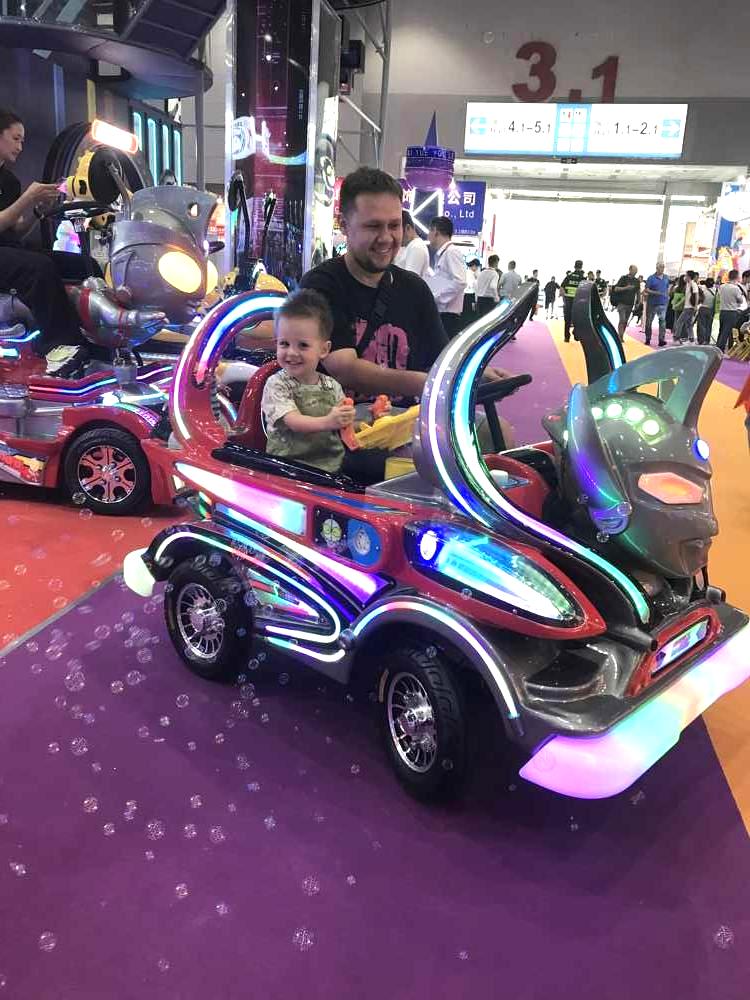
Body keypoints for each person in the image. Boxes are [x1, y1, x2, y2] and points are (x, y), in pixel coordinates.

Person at [300, 167, 512, 441]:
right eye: (373, 226)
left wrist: (478, 372)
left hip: (407, 421)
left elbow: (441, 358)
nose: (387, 237)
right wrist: (431, 384)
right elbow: (346, 369)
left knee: (500, 434)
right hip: (340, 424)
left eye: (394, 225)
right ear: (344, 226)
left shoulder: (414, 289)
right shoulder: (321, 285)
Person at [0, 108, 102, 377]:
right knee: (39, 267)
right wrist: (27, 198)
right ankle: (59, 345)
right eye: (15, 138)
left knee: (84, 265)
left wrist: (36, 208)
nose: (21, 146)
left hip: (8, 251)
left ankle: (96, 336)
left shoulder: (8, 181)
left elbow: (15, 231)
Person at [261, 290, 355, 473]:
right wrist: (329, 421)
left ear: (323, 349)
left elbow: (344, 425)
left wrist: (372, 420)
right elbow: (294, 421)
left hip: (331, 470)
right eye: (284, 344)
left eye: (303, 345)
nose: (292, 353)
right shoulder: (277, 385)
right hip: (287, 470)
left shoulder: (331, 386)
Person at [425, 215, 467, 339]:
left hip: (448, 315)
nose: (428, 236)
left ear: (435, 232)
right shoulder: (444, 254)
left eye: (429, 231)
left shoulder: (451, 252)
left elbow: (460, 282)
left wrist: (437, 298)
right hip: (443, 313)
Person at [717, 270, 747, 352]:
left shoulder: (722, 287)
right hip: (732, 312)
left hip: (722, 311)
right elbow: (740, 301)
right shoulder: (736, 288)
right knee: (727, 332)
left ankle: (717, 347)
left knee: (721, 330)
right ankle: (720, 349)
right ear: (737, 277)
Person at [394, 210, 429, 278]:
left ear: (408, 228)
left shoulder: (416, 247)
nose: (396, 237)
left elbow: (409, 280)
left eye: (398, 232)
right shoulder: (412, 246)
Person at [642, 262, 670, 346]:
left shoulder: (666, 277)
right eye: (660, 267)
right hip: (652, 303)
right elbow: (646, 289)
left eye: (663, 267)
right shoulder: (651, 278)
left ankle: (661, 339)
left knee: (662, 321)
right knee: (649, 322)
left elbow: (667, 288)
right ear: (656, 268)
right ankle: (648, 338)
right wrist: (656, 292)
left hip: (662, 303)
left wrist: (667, 297)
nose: (662, 269)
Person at [611, 264, 640, 339]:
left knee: (625, 321)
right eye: (634, 271)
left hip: (630, 304)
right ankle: (620, 336)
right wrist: (626, 288)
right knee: (622, 319)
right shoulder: (623, 278)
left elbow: (638, 292)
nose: (635, 272)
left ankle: (621, 335)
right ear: (630, 270)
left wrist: (638, 302)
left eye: (636, 271)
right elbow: (616, 289)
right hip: (621, 303)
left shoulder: (637, 281)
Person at [560, 260, 585, 342]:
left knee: (567, 319)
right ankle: (576, 334)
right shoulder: (583, 278)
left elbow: (562, 287)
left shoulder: (569, 276)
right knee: (578, 319)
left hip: (568, 301)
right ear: (581, 267)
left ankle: (567, 337)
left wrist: (564, 298)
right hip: (579, 302)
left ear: (574, 266)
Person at [673, 270, 699, 343]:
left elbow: (696, 295)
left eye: (686, 275)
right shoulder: (688, 284)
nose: (685, 277)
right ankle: (691, 339)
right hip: (687, 306)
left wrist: (696, 306)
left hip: (690, 307)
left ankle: (677, 338)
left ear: (689, 277)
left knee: (679, 322)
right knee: (688, 324)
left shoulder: (693, 284)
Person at [696, 277, 716, 345]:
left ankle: (701, 340)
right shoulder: (715, 290)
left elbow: (699, 300)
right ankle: (707, 340)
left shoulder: (703, 289)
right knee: (709, 326)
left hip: (703, 308)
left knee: (701, 325)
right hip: (711, 310)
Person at [462, 257, 481, 323]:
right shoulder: (470, 273)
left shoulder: (469, 272)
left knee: (467, 311)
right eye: (477, 267)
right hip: (469, 294)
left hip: (467, 295)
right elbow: (471, 284)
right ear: (473, 266)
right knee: (469, 311)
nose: (477, 269)